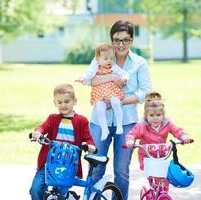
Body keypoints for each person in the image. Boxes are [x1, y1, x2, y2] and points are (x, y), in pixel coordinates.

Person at [83, 20, 152, 200]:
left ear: (132, 40)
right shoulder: (101, 57)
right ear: (111, 39)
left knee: (121, 171)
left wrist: (119, 101)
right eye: (117, 40)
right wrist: (113, 78)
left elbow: (145, 92)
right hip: (99, 121)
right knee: (95, 167)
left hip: (127, 122)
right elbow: (89, 80)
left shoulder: (139, 63)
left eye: (125, 40)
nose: (120, 45)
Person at [29, 83, 96, 200]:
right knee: (36, 189)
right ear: (55, 103)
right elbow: (43, 127)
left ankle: (69, 196)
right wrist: (37, 133)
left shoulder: (81, 121)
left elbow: (88, 139)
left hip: (68, 165)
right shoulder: (53, 119)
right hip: (49, 164)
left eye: (66, 101)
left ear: (74, 101)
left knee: (61, 196)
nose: (63, 105)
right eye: (59, 102)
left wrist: (89, 146)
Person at [125, 92, 191, 192]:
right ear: (146, 115)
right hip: (147, 157)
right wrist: (130, 141)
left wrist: (184, 136)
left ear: (163, 115)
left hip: (162, 156)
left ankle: (163, 195)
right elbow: (132, 133)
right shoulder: (142, 125)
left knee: (165, 180)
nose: (155, 118)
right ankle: (153, 194)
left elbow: (177, 131)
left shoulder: (167, 123)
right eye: (151, 115)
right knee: (154, 181)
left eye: (158, 115)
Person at [76, 43, 129, 141]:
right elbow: (88, 73)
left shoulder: (114, 67)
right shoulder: (95, 66)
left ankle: (119, 125)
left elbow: (124, 73)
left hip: (112, 90)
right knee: (100, 109)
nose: (109, 61)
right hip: (99, 92)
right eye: (106, 59)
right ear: (97, 59)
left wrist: (124, 78)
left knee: (115, 102)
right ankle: (105, 129)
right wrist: (82, 78)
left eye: (111, 58)